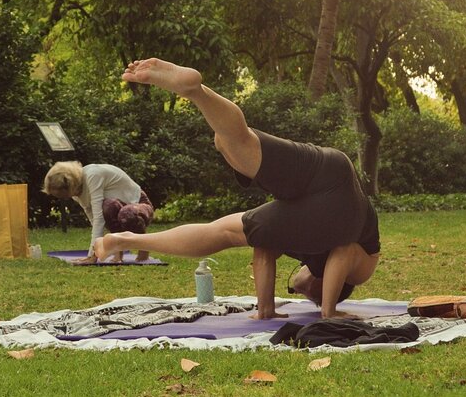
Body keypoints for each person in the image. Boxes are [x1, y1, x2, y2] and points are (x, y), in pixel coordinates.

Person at [94, 58, 380, 319]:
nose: (297, 286)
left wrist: (265, 309)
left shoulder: (302, 231)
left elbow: (264, 248)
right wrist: (329, 311)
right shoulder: (358, 273)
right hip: (343, 200)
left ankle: (196, 92)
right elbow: (345, 252)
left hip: (327, 169)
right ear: (329, 285)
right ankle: (202, 104)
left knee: (238, 159)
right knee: (232, 211)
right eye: (304, 293)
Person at [43, 161, 154, 263]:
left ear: (70, 185)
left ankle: (144, 250)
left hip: (139, 204)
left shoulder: (92, 175)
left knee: (127, 213)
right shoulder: (76, 191)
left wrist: (93, 255)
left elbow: (98, 218)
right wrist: (94, 251)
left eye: (62, 195)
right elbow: (93, 220)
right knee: (108, 207)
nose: (63, 198)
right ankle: (118, 253)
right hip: (119, 206)